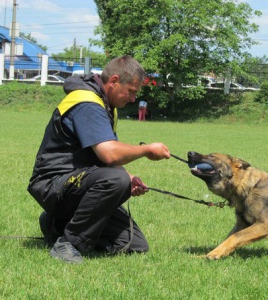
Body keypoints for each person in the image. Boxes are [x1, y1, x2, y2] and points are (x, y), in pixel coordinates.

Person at [27, 56, 171, 264]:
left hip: (76, 182)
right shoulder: (87, 103)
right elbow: (109, 153)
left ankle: (55, 225)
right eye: (131, 91)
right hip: (52, 183)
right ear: (113, 81)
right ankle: (69, 243)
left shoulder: (104, 104)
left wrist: (129, 177)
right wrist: (147, 150)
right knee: (116, 180)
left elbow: (108, 156)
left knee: (133, 244)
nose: (132, 99)